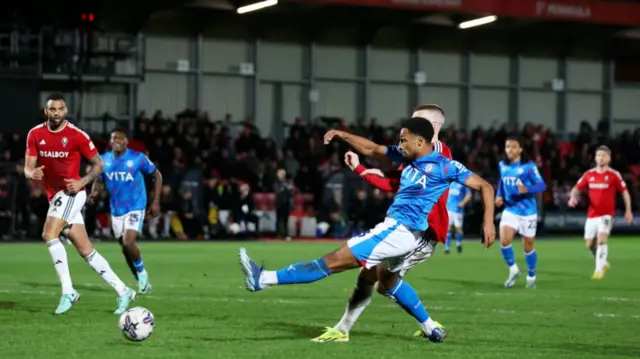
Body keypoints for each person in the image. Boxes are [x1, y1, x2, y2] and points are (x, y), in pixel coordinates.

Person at [239, 118, 496, 343]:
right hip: (406, 235)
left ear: (420, 141)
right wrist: (342, 134)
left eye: (404, 140)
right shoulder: (405, 157)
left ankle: (262, 279)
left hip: (398, 231)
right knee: (388, 281)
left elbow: (485, 186)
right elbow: (372, 148)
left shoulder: (445, 166)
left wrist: (488, 222)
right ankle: (431, 328)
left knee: (333, 261)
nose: (400, 144)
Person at [313, 104, 455, 342]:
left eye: (416, 120)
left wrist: (349, 143)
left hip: (423, 232)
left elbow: (379, 155)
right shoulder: (414, 154)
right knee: (370, 276)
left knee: (384, 283)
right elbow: (390, 181)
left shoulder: (438, 152)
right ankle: (342, 329)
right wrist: (358, 166)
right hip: (407, 227)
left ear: (433, 127)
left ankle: (431, 327)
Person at [24, 92, 136, 314]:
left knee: (49, 235)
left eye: (60, 109)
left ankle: (68, 291)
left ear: (65, 111)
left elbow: (99, 164)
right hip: (55, 195)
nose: (56, 113)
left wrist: (81, 181)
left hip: (72, 192)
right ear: (46, 111)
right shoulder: (35, 134)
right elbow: (28, 166)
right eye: (52, 109)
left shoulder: (77, 135)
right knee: (85, 250)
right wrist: (30, 173)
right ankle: (123, 290)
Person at [89, 128, 162, 293]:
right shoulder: (104, 160)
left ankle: (142, 274)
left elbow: (157, 175)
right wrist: (94, 192)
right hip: (116, 209)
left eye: (120, 139)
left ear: (126, 142)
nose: (116, 142)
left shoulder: (137, 158)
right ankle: (140, 280)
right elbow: (98, 180)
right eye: (113, 139)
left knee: (129, 241)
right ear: (110, 142)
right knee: (125, 248)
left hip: (136, 205)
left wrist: (155, 201)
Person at [568, 145, 633, 279]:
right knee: (589, 244)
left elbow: (625, 192)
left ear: (609, 158)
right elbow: (576, 188)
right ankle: (604, 263)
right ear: (595, 158)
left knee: (601, 240)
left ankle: (598, 271)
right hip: (592, 215)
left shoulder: (614, 175)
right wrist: (572, 197)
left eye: (604, 155)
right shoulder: (589, 174)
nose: (601, 158)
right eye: (598, 155)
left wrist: (628, 210)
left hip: (607, 215)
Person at [496, 136, 547, 289]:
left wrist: (527, 189)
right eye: (507, 147)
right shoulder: (502, 165)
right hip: (510, 209)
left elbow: (542, 185)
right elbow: (502, 181)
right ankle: (513, 270)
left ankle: (531, 276)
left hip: (527, 211)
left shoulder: (529, 167)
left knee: (528, 246)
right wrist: (499, 195)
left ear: (520, 149)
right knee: (504, 241)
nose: (509, 150)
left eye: (513, 147)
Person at [444, 181, 472, 254]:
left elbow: (468, 195)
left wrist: (463, 203)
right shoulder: (450, 184)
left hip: (458, 210)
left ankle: (458, 244)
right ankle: (447, 247)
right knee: (448, 228)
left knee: (458, 229)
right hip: (448, 209)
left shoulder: (462, 184)